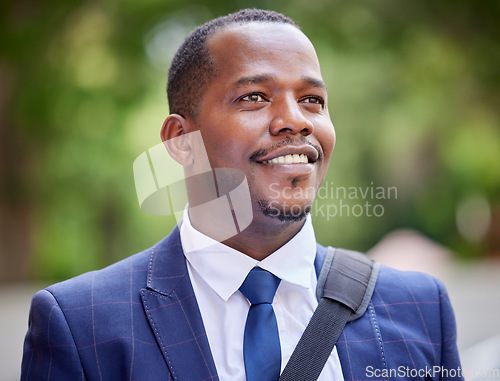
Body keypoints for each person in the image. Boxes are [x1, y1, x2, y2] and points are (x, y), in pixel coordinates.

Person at [21, 9, 463, 381]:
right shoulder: (82, 325)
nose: (297, 121)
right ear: (180, 140)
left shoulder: (421, 309)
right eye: (254, 97)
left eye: (312, 100)